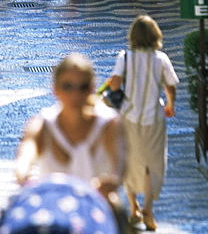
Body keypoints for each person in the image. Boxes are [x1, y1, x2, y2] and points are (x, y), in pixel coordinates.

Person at [15, 53, 125, 196]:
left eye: (83, 87)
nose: (75, 94)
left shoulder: (108, 123)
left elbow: (120, 162)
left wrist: (111, 182)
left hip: (97, 206)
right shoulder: (42, 124)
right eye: (68, 86)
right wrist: (24, 176)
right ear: (55, 89)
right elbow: (26, 155)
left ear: (92, 88)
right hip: (54, 207)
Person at [106, 15, 178, 232]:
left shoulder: (125, 57)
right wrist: (170, 104)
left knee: (129, 159)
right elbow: (171, 85)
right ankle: (148, 208)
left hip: (129, 115)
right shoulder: (161, 59)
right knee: (152, 163)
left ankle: (134, 207)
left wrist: (114, 86)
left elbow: (116, 85)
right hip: (153, 117)